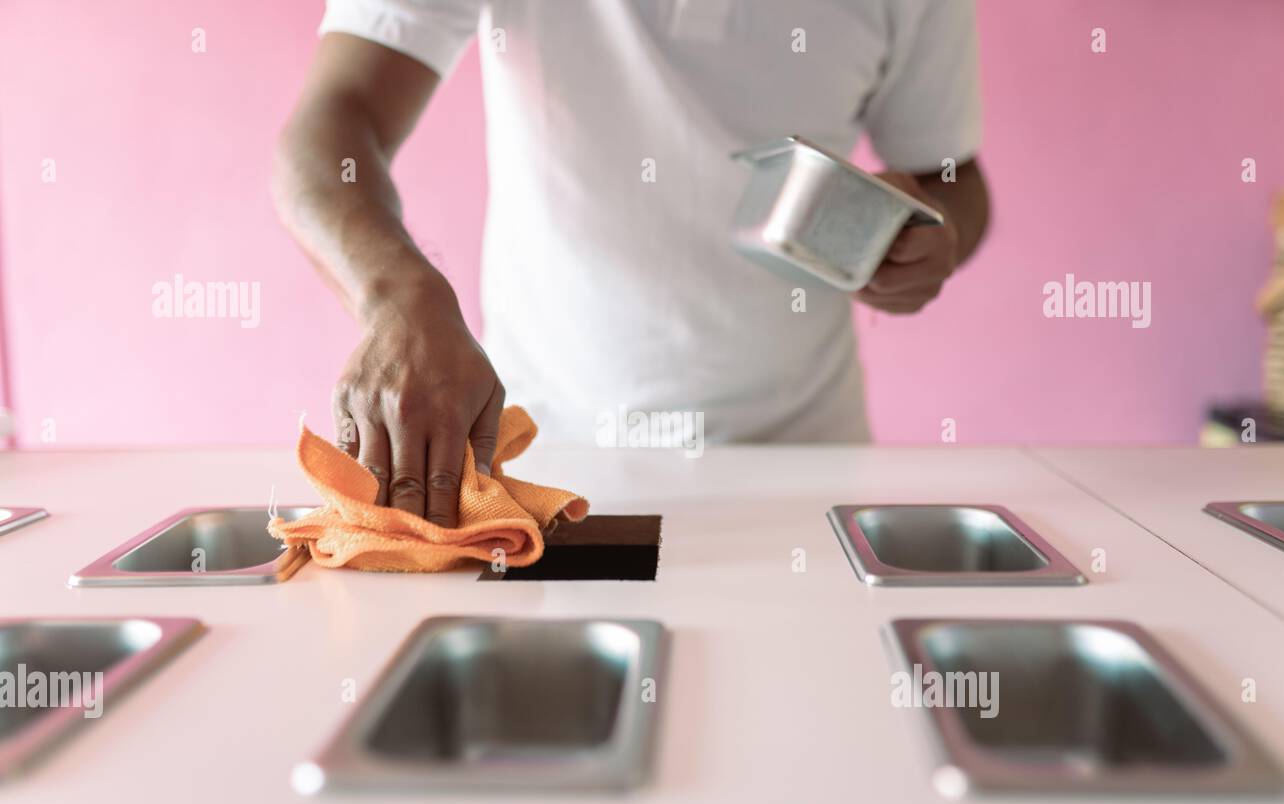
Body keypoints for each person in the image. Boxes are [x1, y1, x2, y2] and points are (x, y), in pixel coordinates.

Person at [273, 0, 989, 526]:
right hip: (551, 471)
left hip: (809, 460)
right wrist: (402, 300)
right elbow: (334, 118)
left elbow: (953, 177)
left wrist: (935, 230)